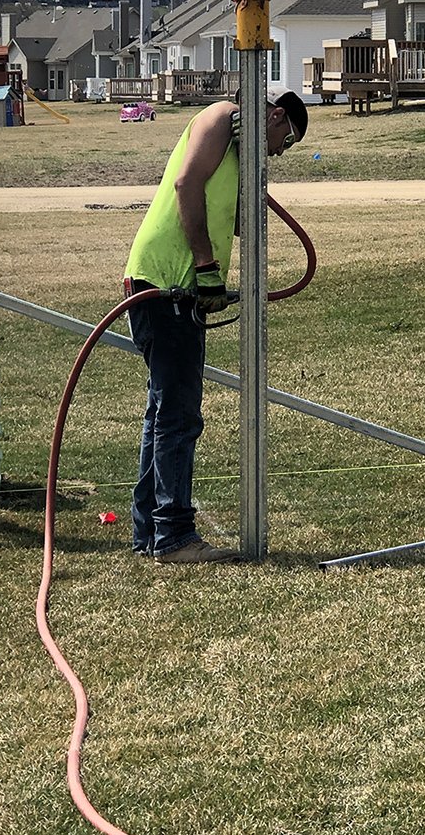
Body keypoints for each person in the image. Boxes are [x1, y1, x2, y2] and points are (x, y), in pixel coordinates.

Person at [124, 89, 308, 564]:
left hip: (177, 287)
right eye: (284, 141)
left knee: (164, 411)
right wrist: (206, 267)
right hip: (166, 283)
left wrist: (253, 169)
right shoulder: (222, 116)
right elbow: (186, 184)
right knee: (178, 416)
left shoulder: (239, 146)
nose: (278, 152)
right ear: (275, 115)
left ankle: (150, 531)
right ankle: (173, 537)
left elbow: (241, 221)